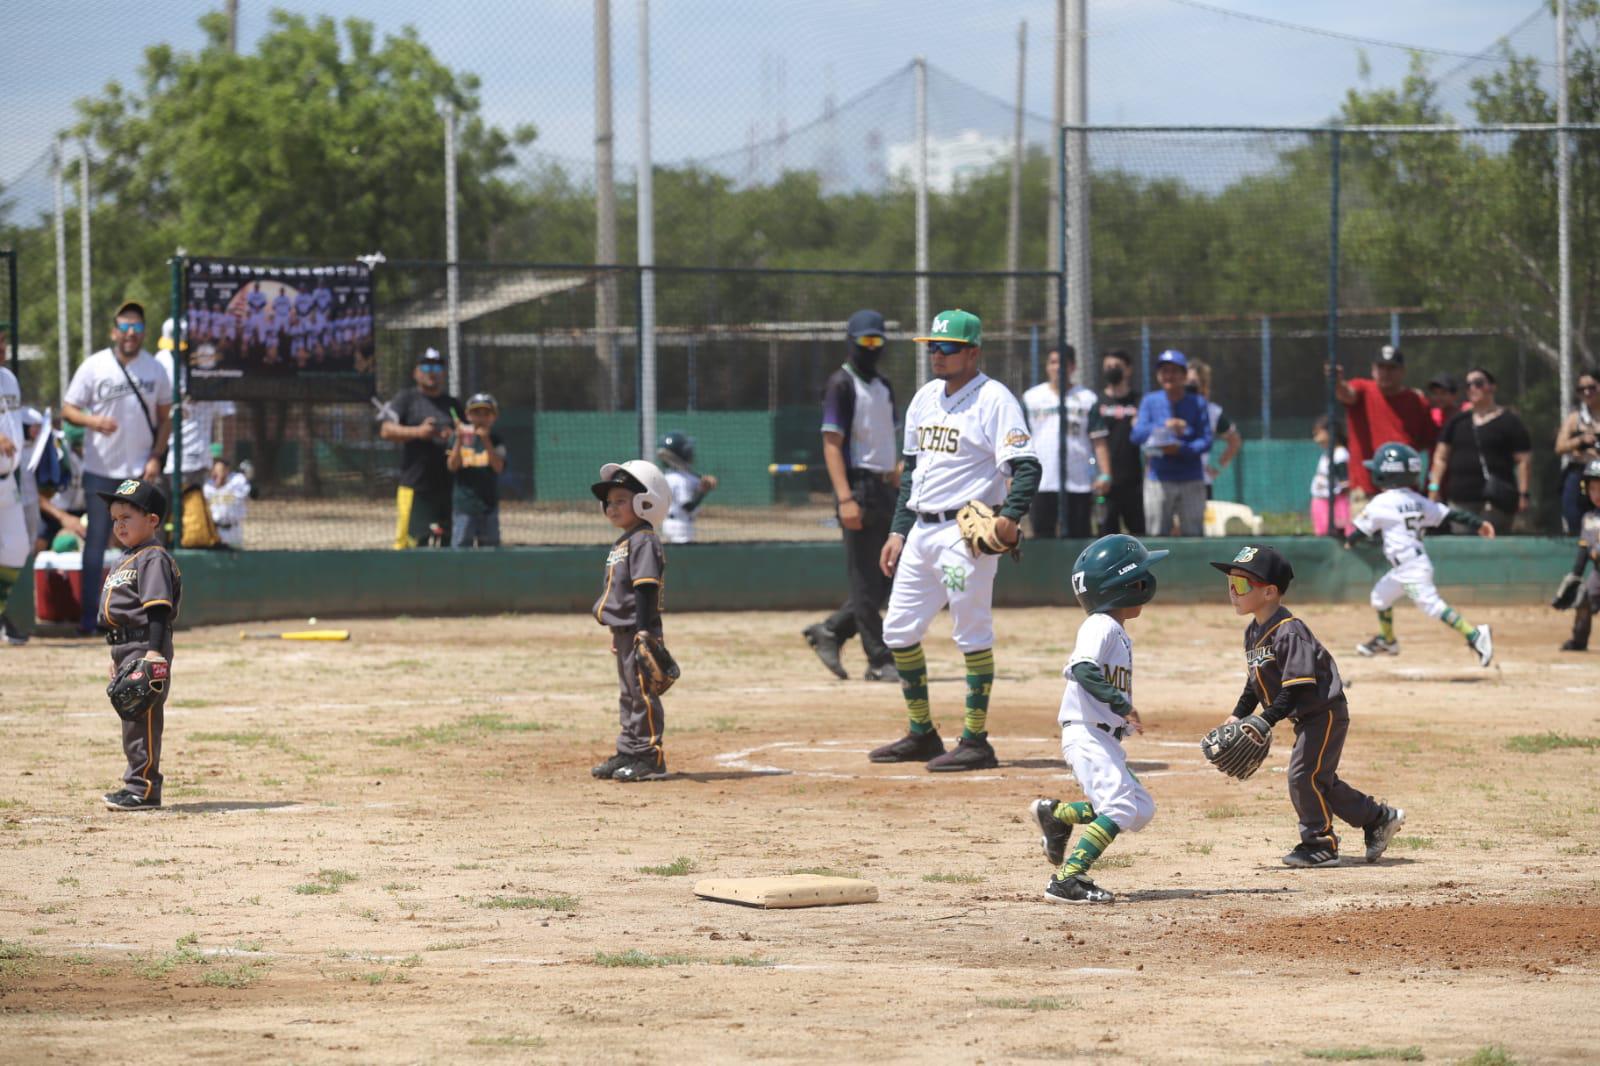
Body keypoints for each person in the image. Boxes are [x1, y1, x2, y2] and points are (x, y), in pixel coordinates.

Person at [871, 309, 1039, 772]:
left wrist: (1009, 517)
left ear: (973, 352)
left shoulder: (994, 400)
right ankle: (922, 732)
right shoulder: (924, 398)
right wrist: (897, 529)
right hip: (921, 533)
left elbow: (1025, 466)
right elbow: (912, 474)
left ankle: (975, 740)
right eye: (932, 346)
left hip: (961, 537)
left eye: (946, 347)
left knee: (970, 632)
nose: (937, 354)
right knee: (899, 630)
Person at [1208, 544, 1406, 868]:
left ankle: (1320, 844)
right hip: (1308, 717)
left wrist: (1265, 721)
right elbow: (1256, 682)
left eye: (1242, 584)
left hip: (1324, 713)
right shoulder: (1254, 631)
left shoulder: (1289, 631)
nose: (1232, 590)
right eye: (1230, 582)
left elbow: (1298, 688)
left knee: (1302, 776)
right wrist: (1238, 715)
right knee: (1320, 779)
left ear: (1270, 592)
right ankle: (1378, 819)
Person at [1028, 533, 1166, 905]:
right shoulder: (1100, 625)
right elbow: (1082, 668)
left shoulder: (1114, 628)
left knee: (1139, 810)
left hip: (1102, 738)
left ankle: (1057, 816)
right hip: (1086, 733)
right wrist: (1119, 704)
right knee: (1118, 807)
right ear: (1124, 586)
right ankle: (1067, 880)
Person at [62, 301, 173, 635]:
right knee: (96, 543)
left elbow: (166, 419)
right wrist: (92, 421)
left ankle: (149, 619)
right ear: (114, 331)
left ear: (144, 333)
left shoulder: (155, 370)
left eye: (137, 328)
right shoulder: (95, 366)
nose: (130, 334)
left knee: (145, 546)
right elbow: (68, 409)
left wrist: (156, 456)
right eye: (124, 327)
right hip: (100, 469)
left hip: (138, 472)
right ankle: (91, 619)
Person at [803, 310, 900, 683]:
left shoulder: (884, 386)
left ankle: (832, 629)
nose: (872, 348)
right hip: (857, 486)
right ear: (852, 341)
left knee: (890, 575)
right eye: (866, 341)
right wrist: (845, 498)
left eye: (878, 341)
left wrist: (895, 477)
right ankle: (878, 660)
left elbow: (887, 437)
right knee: (864, 579)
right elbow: (832, 443)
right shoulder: (841, 384)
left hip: (885, 486)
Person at [1347, 442, 1495, 667]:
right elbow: (1450, 515)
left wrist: (1350, 541)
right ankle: (1388, 641)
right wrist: (1478, 524)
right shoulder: (1418, 500)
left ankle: (1474, 635)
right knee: (1380, 597)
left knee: (1432, 606)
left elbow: (1358, 532)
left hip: (1411, 569)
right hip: (1407, 566)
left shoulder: (1382, 502)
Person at [96, 478, 182, 811]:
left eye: (127, 517)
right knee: (132, 718)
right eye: (115, 518)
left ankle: (144, 788)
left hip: (146, 643)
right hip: (126, 647)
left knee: (143, 718)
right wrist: (114, 653)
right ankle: (136, 783)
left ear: (152, 521)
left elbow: (157, 609)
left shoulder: (152, 558)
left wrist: (154, 653)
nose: (119, 524)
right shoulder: (128, 558)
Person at [588, 460, 673, 783]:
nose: (611, 507)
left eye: (621, 499)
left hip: (640, 630)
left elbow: (645, 588)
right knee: (628, 693)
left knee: (641, 693)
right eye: (609, 502)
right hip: (625, 631)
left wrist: (643, 630)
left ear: (645, 502)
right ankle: (629, 750)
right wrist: (618, 631)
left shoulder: (644, 540)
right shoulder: (625, 540)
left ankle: (649, 756)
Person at [1428, 368, 1532, 536]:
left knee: (1493, 549)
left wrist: (1523, 494)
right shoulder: (1457, 421)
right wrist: (1434, 489)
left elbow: (1523, 460)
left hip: (1496, 502)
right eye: (1468, 385)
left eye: (1478, 383)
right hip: (1461, 501)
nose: (1472, 388)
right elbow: (1440, 457)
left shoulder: (1510, 421)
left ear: (1492, 387)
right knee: (1463, 549)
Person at [1332, 344, 1436, 509]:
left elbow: (1427, 440)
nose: (1386, 373)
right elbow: (1346, 393)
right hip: (1367, 490)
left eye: (1392, 368)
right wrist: (1336, 381)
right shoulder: (1363, 389)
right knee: (1364, 534)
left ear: (1402, 371)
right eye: (1381, 367)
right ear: (1373, 369)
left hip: (1404, 492)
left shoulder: (1415, 400)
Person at [1021, 346, 1110, 538]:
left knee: (1078, 538)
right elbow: (1020, 441)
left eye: (1063, 363)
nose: (1057, 368)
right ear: (1047, 367)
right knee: (1042, 538)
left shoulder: (1087, 398)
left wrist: (1105, 474)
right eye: (1053, 362)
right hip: (1043, 481)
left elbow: (1099, 440)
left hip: (1078, 482)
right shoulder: (1032, 398)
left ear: (1073, 367)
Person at [378, 348, 461, 549]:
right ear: (416, 372)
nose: (431, 372)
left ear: (443, 373)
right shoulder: (406, 399)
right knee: (408, 544)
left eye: (436, 367)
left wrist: (453, 437)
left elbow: (466, 434)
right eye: (425, 366)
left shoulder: (452, 404)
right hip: (414, 487)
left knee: (448, 543)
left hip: (448, 488)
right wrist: (419, 432)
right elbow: (386, 430)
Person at [1130, 349, 1212, 536]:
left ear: (1184, 375)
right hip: (1158, 478)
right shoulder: (1150, 401)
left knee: (1194, 534)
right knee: (1157, 534)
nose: (1169, 376)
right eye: (1164, 371)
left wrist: (1182, 446)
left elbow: (1206, 440)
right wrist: (1163, 427)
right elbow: (1136, 435)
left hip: (1191, 478)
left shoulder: (1197, 403)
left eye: (1174, 371)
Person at [156, 318, 235, 493]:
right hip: (156, 460)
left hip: (195, 464)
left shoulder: (209, 372)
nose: (174, 353)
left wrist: (223, 460)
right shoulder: (159, 363)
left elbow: (228, 415)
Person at [1552, 459, 1600, 652]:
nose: (1597, 494)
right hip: (1598, 573)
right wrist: (1575, 575)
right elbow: (1583, 550)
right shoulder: (1588, 518)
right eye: (1593, 489)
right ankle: (1579, 639)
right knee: (1583, 596)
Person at [448, 393, 507, 548]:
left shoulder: (496, 440)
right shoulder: (458, 438)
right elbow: (452, 466)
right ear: (468, 415)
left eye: (486, 413)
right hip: (464, 506)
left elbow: (498, 467)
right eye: (476, 413)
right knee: (460, 548)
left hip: (488, 507)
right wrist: (459, 440)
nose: (481, 418)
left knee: (490, 551)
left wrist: (486, 441)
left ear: (494, 417)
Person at [1096, 349, 1145, 536]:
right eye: (1108, 367)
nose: (1112, 370)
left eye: (1117, 366)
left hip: (1134, 481)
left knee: (1139, 533)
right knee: (1106, 535)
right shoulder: (1097, 401)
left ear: (1128, 370)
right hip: (1106, 483)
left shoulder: (1139, 401)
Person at [0, 340, 28, 645]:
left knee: (17, 547)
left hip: (8, 478)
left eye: (3, 342)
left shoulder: (9, 379)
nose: (1, 348)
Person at [1185, 358, 1241, 499]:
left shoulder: (1212, 412)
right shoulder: (1168, 408)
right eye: (1184, 381)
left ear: (1203, 386)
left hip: (1199, 484)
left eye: (1193, 383)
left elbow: (1235, 441)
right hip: (1171, 482)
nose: (1187, 386)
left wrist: (1217, 466)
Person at [1555, 366, 1600, 534]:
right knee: (1574, 515)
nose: (1587, 393)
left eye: (1592, 388)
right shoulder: (1575, 418)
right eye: (1582, 389)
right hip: (1580, 472)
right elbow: (1559, 447)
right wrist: (1581, 440)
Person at [656, 431, 718, 546]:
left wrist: (707, 483)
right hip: (680, 527)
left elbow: (700, 481)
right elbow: (687, 507)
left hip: (671, 524)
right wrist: (702, 492)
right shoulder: (680, 480)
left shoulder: (669, 476)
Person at [1308, 414, 1351, 536]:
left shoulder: (1340, 454)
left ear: (1331, 432)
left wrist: (1343, 506)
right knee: (1322, 533)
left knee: (1338, 533)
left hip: (1335, 502)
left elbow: (1345, 482)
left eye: (1318, 434)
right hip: (1321, 500)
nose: (1316, 439)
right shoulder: (1327, 453)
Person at [202, 445, 252, 549]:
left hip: (234, 529)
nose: (218, 466)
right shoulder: (207, 485)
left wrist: (223, 480)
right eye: (215, 462)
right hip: (214, 529)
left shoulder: (237, 480)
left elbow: (248, 493)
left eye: (220, 462)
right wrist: (217, 482)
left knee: (237, 559)